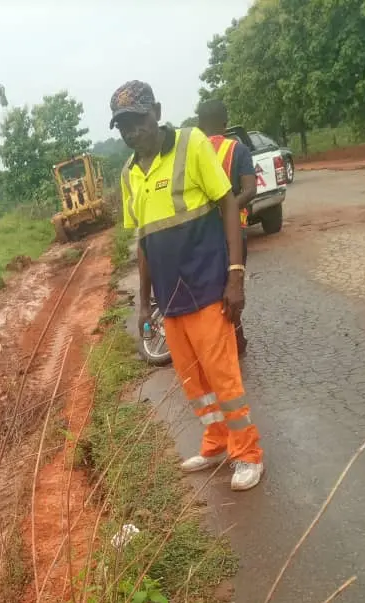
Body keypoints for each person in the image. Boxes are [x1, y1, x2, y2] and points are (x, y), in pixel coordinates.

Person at [111, 80, 264, 491]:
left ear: (156, 112)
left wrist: (235, 275)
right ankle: (215, 443)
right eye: (123, 126)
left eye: (138, 121)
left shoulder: (191, 144)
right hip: (170, 301)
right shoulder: (128, 175)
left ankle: (247, 453)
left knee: (224, 377)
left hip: (208, 287)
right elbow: (143, 243)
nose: (131, 132)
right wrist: (145, 305)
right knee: (193, 382)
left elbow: (229, 203)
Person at [197, 99, 256, 356]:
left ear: (199, 124)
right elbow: (250, 190)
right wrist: (229, 209)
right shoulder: (238, 150)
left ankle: (230, 340)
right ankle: (236, 337)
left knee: (212, 288)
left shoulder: (193, 153)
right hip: (236, 234)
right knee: (234, 284)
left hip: (204, 236)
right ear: (226, 122)